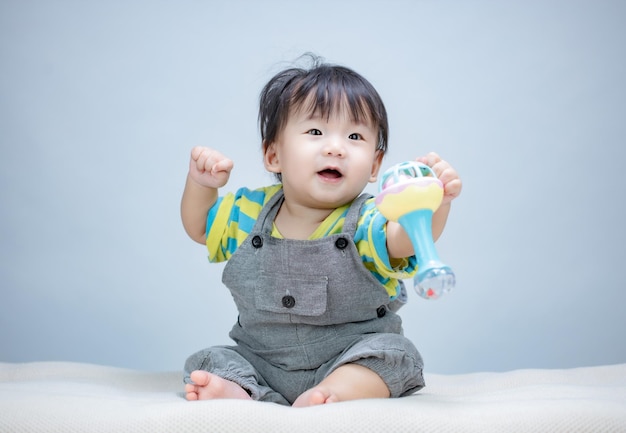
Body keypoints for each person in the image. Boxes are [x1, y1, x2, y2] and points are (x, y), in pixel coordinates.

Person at [180, 56, 462, 407]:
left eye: (355, 136)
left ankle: (335, 392)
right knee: (209, 362)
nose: (335, 147)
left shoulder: (369, 218)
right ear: (273, 156)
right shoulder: (249, 211)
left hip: (349, 355)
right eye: (315, 132)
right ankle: (243, 389)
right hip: (261, 359)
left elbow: (402, 241)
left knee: (394, 354)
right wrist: (201, 184)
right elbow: (200, 228)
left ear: (375, 165)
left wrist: (433, 204)